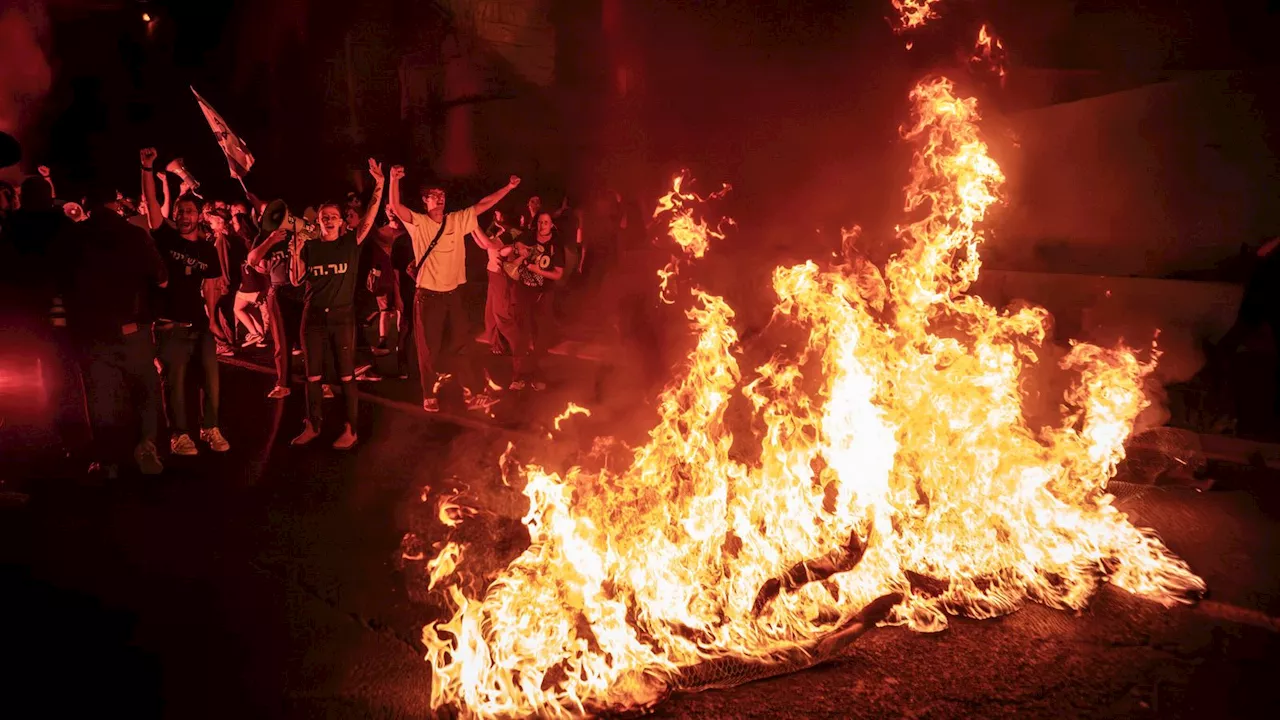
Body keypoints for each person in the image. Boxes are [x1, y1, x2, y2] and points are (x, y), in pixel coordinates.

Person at [55, 183, 169, 476]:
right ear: (115, 203)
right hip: (132, 328)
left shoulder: (73, 237)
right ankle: (146, 445)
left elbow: (61, 281)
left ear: (86, 203)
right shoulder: (134, 234)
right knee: (144, 389)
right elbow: (161, 278)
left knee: (101, 396)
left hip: (92, 331)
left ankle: (109, 460)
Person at [387, 167, 519, 413]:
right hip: (428, 296)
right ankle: (428, 395)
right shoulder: (419, 223)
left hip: (453, 295)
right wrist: (393, 180)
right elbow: (396, 206)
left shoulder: (457, 220)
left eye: (442, 194)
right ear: (425, 201)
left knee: (463, 345)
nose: (440, 197)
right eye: (434, 195)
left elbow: (485, 203)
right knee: (429, 349)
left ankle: (472, 394)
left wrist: (508, 188)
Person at [289, 158, 385, 448]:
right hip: (314, 317)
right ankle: (313, 425)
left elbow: (369, 215)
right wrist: (295, 252)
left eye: (333, 216)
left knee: (345, 373)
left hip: (342, 318)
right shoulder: (311, 246)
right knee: (313, 374)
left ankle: (350, 429)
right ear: (318, 220)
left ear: (342, 221)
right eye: (324, 216)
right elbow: (295, 281)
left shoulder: (350, 243)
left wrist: (380, 183)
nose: (328, 219)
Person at [140, 148, 230, 456]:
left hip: (200, 325)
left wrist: (215, 319)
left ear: (198, 216)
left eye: (189, 212)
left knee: (211, 380)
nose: (183, 216)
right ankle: (179, 435)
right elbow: (152, 203)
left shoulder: (207, 249)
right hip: (169, 325)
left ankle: (210, 428)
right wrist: (147, 169)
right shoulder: (165, 236)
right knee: (175, 384)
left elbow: (212, 286)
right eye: (179, 211)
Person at [500, 211, 564, 390]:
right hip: (524, 291)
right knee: (521, 333)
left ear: (552, 225)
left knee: (541, 335)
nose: (543, 225)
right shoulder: (528, 235)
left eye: (547, 222)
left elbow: (558, 274)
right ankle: (518, 376)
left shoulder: (556, 245)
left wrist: (538, 270)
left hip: (544, 294)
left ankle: (537, 375)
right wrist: (519, 246)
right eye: (541, 222)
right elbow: (516, 242)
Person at [246, 225, 301, 399]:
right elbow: (252, 259)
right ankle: (283, 384)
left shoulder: (300, 229)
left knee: (312, 338)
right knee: (281, 341)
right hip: (279, 289)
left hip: (303, 289)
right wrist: (271, 240)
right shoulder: (267, 234)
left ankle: (321, 382)